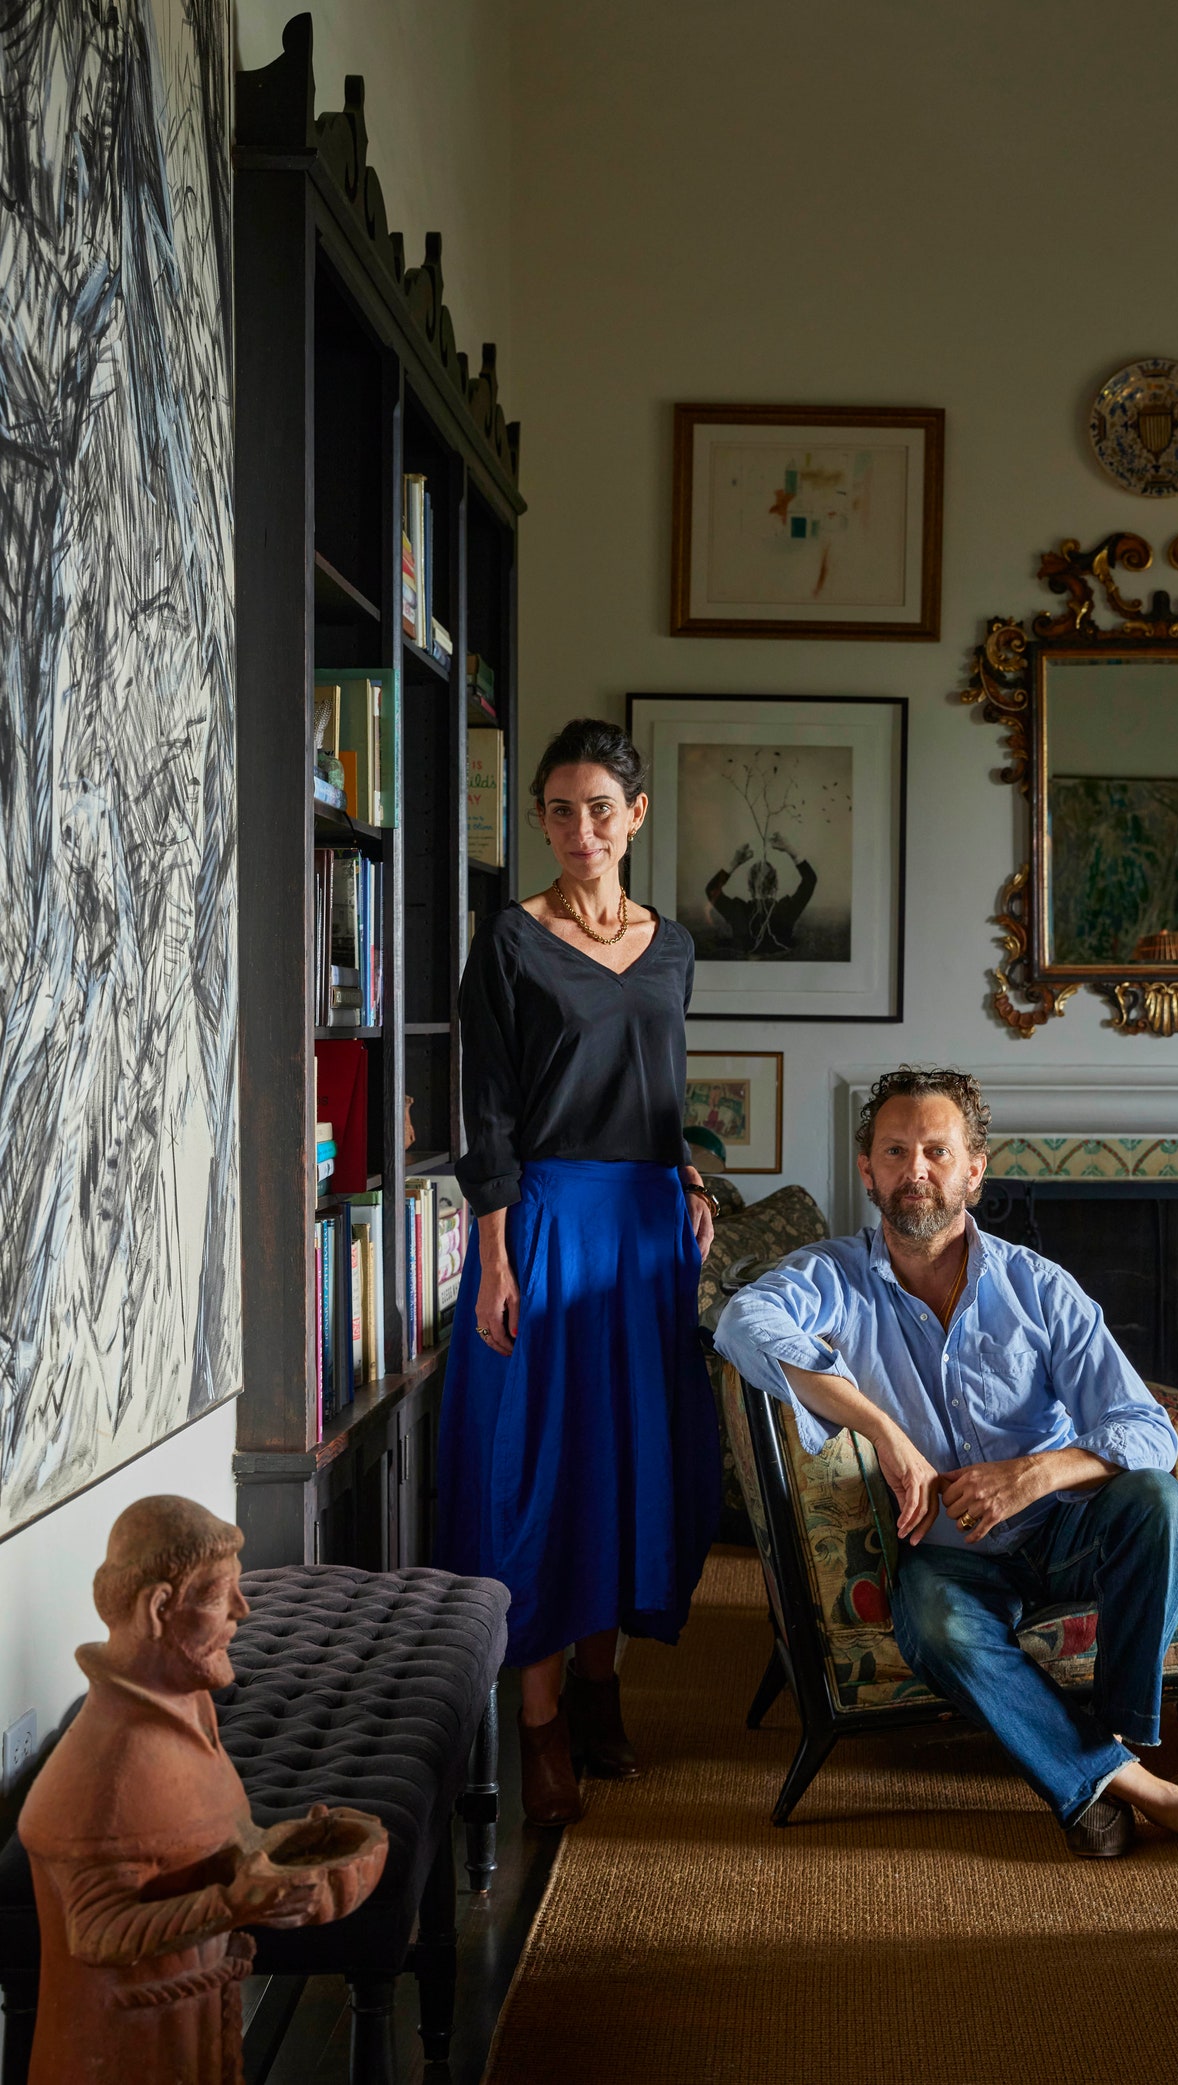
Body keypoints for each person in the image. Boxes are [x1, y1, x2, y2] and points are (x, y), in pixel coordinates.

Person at [714, 1066, 1178, 1858]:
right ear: (869, 1170)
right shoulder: (834, 1279)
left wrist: (1039, 1472)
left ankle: (1111, 1743)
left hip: (1066, 1533)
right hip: (952, 1560)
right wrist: (884, 1429)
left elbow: (1149, 1431)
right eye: (896, 1150)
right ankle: (1152, 1791)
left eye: (937, 1151)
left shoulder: (1038, 1286)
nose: (917, 1170)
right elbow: (743, 1321)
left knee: (1160, 1502)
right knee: (935, 1625)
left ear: (974, 1170)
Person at [437, 718, 723, 1825]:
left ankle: (602, 1693)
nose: (579, 829)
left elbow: (658, 1090)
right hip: (547, 1222)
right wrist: (497, 1252)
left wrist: (690, 1172)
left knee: (630, 1468)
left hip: (648, 1225)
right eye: (558, 810)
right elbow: (490, 1109)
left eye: (600, 807)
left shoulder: (676, 944)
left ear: (635, 816)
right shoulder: (510, 939)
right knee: (543, 1471)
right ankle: (541, 1721)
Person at [20, 1498, 382, 2082]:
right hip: (125, 2055)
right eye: (220, 1597)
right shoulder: (106, 1771)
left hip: (197, 2028)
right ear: (159, 1609)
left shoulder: (189, 1706)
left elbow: (192, 1852)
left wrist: (278, 1851)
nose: (242, 1609)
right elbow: (98, 1931)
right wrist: (236, 1903)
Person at [705, 831, 816, 957]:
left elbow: (711, 890)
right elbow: (810, 880)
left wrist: (734, 863)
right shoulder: (786, 910)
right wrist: (790, 850)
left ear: (749, 886)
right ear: (775, 886)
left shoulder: (738, 911)